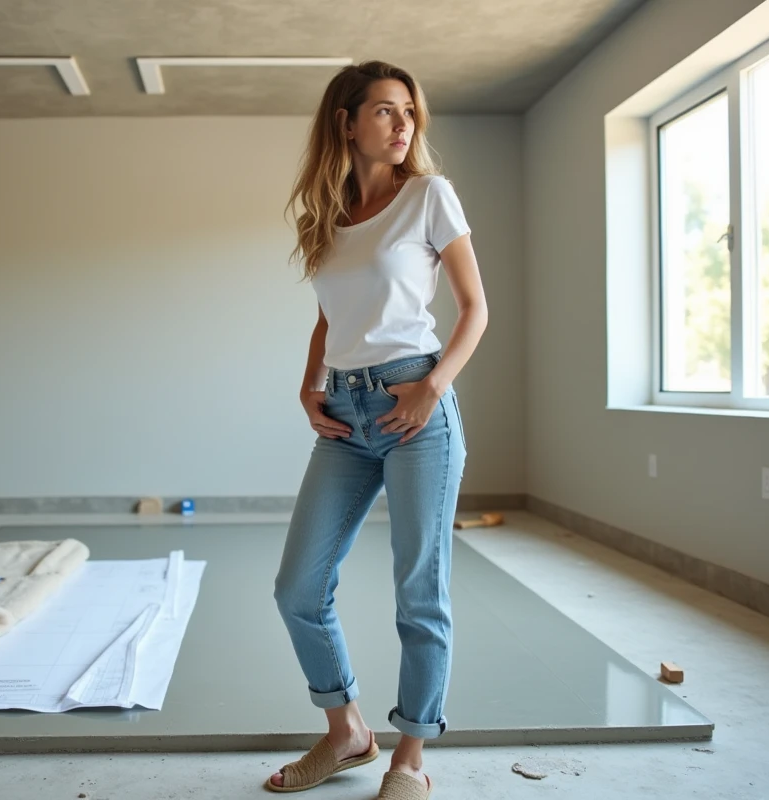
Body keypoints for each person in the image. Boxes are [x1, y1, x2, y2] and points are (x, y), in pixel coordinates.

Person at [267, 61, 489, 799]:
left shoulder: (428, 196)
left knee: (419, 593)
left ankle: (410, 758)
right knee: (298, 587)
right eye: (387, 111)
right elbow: (331, 316)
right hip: (345, 414)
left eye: (409, 112)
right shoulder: (327, 216)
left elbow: (475, 307)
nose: (403, 125)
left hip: (415, 407)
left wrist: (434, 388)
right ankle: (348, 733)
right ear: (347, 121)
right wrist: (310, 385)